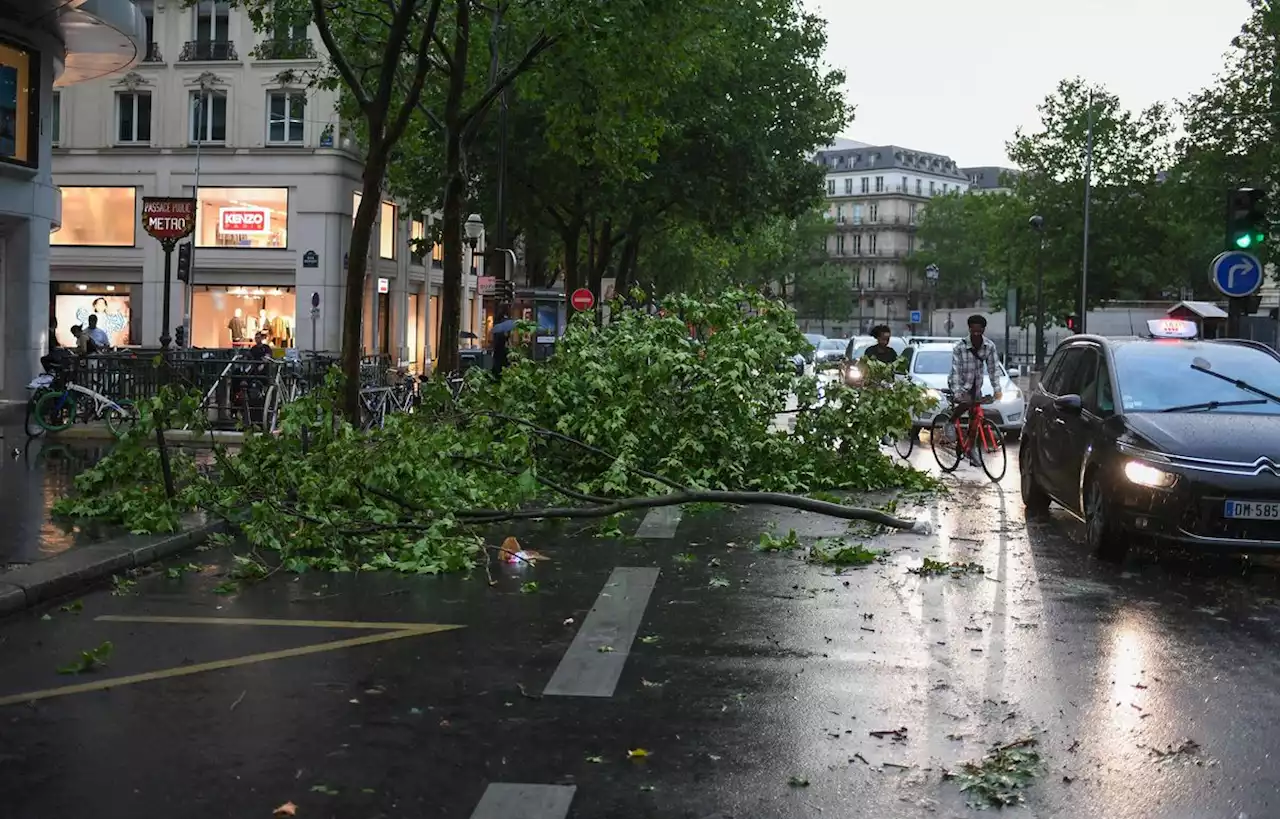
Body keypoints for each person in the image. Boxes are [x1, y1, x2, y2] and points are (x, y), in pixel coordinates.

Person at [947, 315, 1003, 467]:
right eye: (974, 331)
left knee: (976, 418)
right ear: (969, 329)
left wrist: (997, 389)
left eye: (979, 331)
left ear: (983, 330)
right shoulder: (960, 347)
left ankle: (971, 449)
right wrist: (958, 392)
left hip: (976, 385)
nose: (976, 334)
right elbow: (956, 370)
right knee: (966, 403)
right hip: (959, 383)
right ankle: (951, 422)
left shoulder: (989, 346)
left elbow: (993, 368)